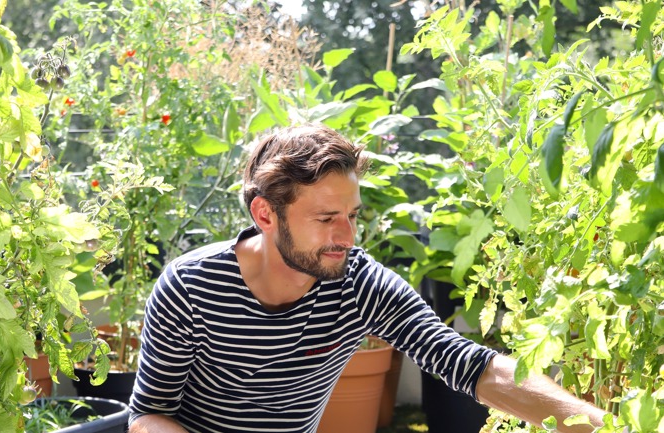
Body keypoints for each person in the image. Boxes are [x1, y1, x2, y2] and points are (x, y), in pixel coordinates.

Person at [128, 123, 612, 433]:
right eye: (325, 218)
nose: (346, 235)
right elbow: (147, 416)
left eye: (353, 215)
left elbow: (471, 366)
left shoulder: (358, 284)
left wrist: (604, 428)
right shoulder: (191, 286)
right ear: (265, 214)